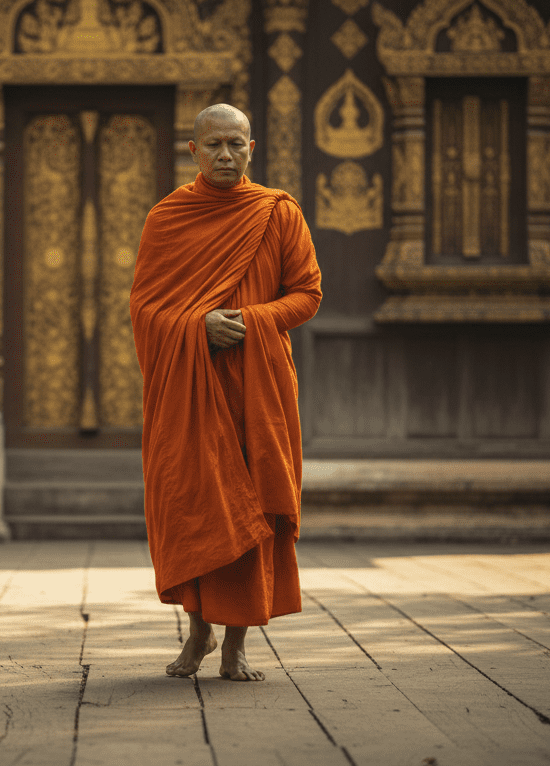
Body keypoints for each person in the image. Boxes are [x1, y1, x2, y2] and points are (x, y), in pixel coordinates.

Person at [128, 104, 321, 681]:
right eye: (213, 145)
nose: (225, 156)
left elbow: (307, 294)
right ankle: (198, 636)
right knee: (197, 504)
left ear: (252, 148)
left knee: (253, 504)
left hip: (257, 388)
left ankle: (236, 646)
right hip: (192, 386)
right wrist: (198, 327)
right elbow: (144, 307)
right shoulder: (168, 217)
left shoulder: (277, 213)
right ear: (193, 151)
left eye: (236, 145)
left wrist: (254, 319)